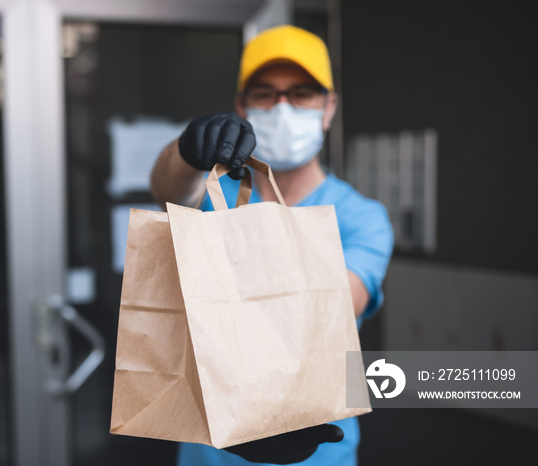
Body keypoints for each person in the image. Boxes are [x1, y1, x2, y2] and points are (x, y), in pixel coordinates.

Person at [150, 25, 393, 465]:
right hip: (208, 449)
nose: (283, 107)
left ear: (328, 106)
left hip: (319, 450)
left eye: (301, 93)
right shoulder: (211, 198)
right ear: (242, 106)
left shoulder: (361, 217)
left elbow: (337, 309)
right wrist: (187, 151)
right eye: (265, 94)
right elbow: (166, 187)